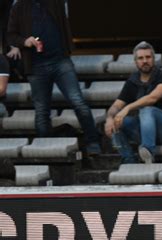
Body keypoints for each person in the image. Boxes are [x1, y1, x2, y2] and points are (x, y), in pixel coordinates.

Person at [7, 0, 101, 155]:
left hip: (60, 60)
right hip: (36, 65)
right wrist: (25, 41)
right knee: (42, 110)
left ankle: (92, 141)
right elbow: (11, 35)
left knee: (77, 101)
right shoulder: (19, 6)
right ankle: (44, 149)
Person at [104, 41, 162, 164]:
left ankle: (148, 152)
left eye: (148, 57)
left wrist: (127, 108)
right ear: (136, 61)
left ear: (153, 59)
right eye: (141, 58)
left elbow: (152, 98)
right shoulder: (132, 81)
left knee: (147, 109)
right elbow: (116, 105)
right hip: (146, 131)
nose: (145, 61)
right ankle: (129, 160)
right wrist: (109, 118)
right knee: (116, 122)